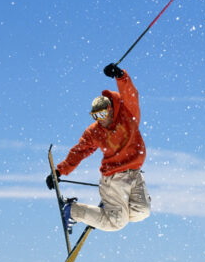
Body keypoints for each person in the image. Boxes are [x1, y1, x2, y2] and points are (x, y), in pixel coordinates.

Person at [46, 63, 151, 232]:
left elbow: (131, 94)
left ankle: (110, 209)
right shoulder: (95, 131)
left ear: (111, 109)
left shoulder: (127, 115)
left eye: (102, 114)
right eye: (95, 116)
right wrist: (59, 171)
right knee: (117, 222)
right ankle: (73, 211)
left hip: (134, 174)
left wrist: (120, 75)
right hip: (113, 178)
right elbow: (79, 151)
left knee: (142, 211)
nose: (100, 119)